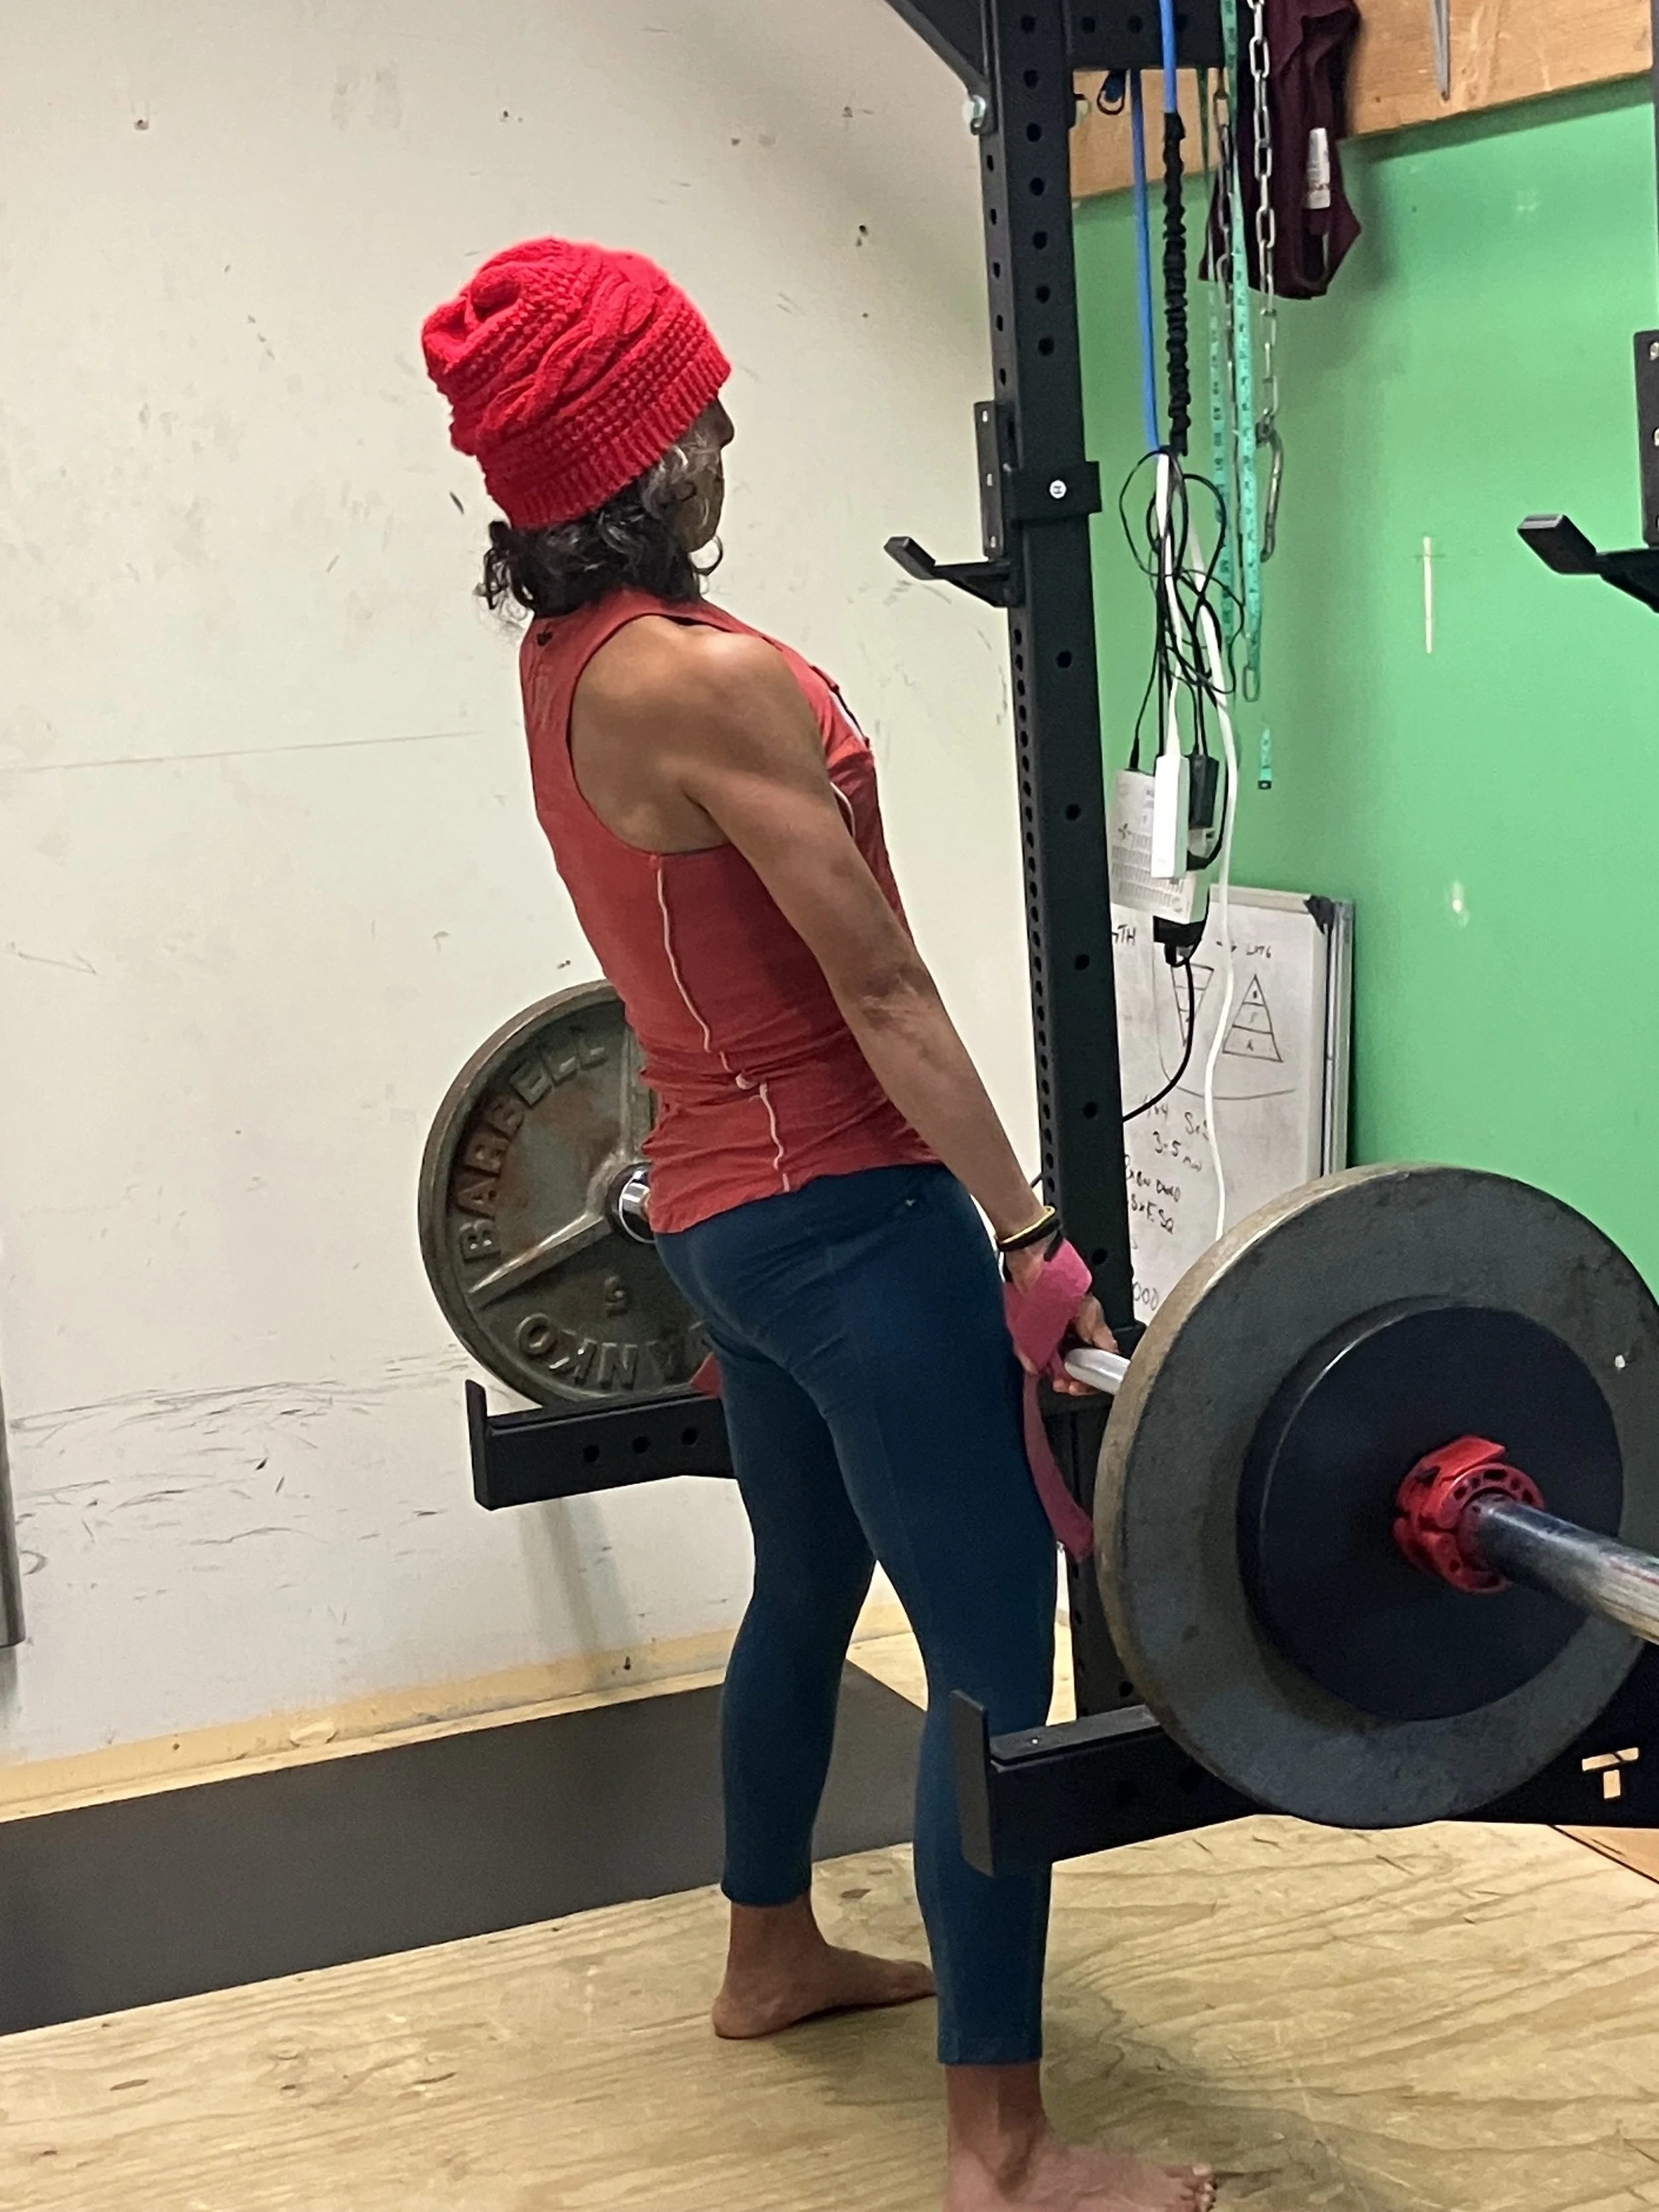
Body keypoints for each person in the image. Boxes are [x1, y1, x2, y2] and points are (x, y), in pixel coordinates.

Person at [422, 238, 1214, 2212]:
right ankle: (1001, 2148)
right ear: (628, 457)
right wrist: (1027, 1229)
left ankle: (765, 1951)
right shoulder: (706, 679)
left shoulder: (567, 662)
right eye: (692, 409)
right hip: (849, 1222)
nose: (723, 431)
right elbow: (879, 990)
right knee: (985, 1662)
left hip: (709, 1212)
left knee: (802, 1586)